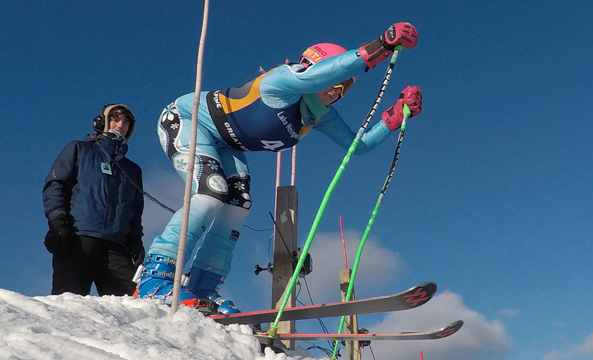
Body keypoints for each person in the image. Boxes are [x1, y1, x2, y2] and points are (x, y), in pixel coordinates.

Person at [134, 22, 422, 314]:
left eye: (344, 89)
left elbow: (357, 147)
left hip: (225, 144)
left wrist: (394, 118)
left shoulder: (317, 116)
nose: (337, 92)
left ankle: (203, 286)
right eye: (336, 82)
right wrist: (379, 46)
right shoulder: (282, 81)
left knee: (238, 204)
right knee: (211, 191)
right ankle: (156, 276)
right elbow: (315, 76)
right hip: (187, 119)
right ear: (316, 68)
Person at [43, 104, 146, 296]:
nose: (120, 124)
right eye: (115, 119)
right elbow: (56, 185)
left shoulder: (132, 170)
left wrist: (135, 240)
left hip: (116, 245)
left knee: (132, 307)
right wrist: (57, 222)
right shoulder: (80, 149)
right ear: (102, 122)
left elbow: (135, 210)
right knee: (69, 301)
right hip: (79, 237)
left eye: (126, 121)